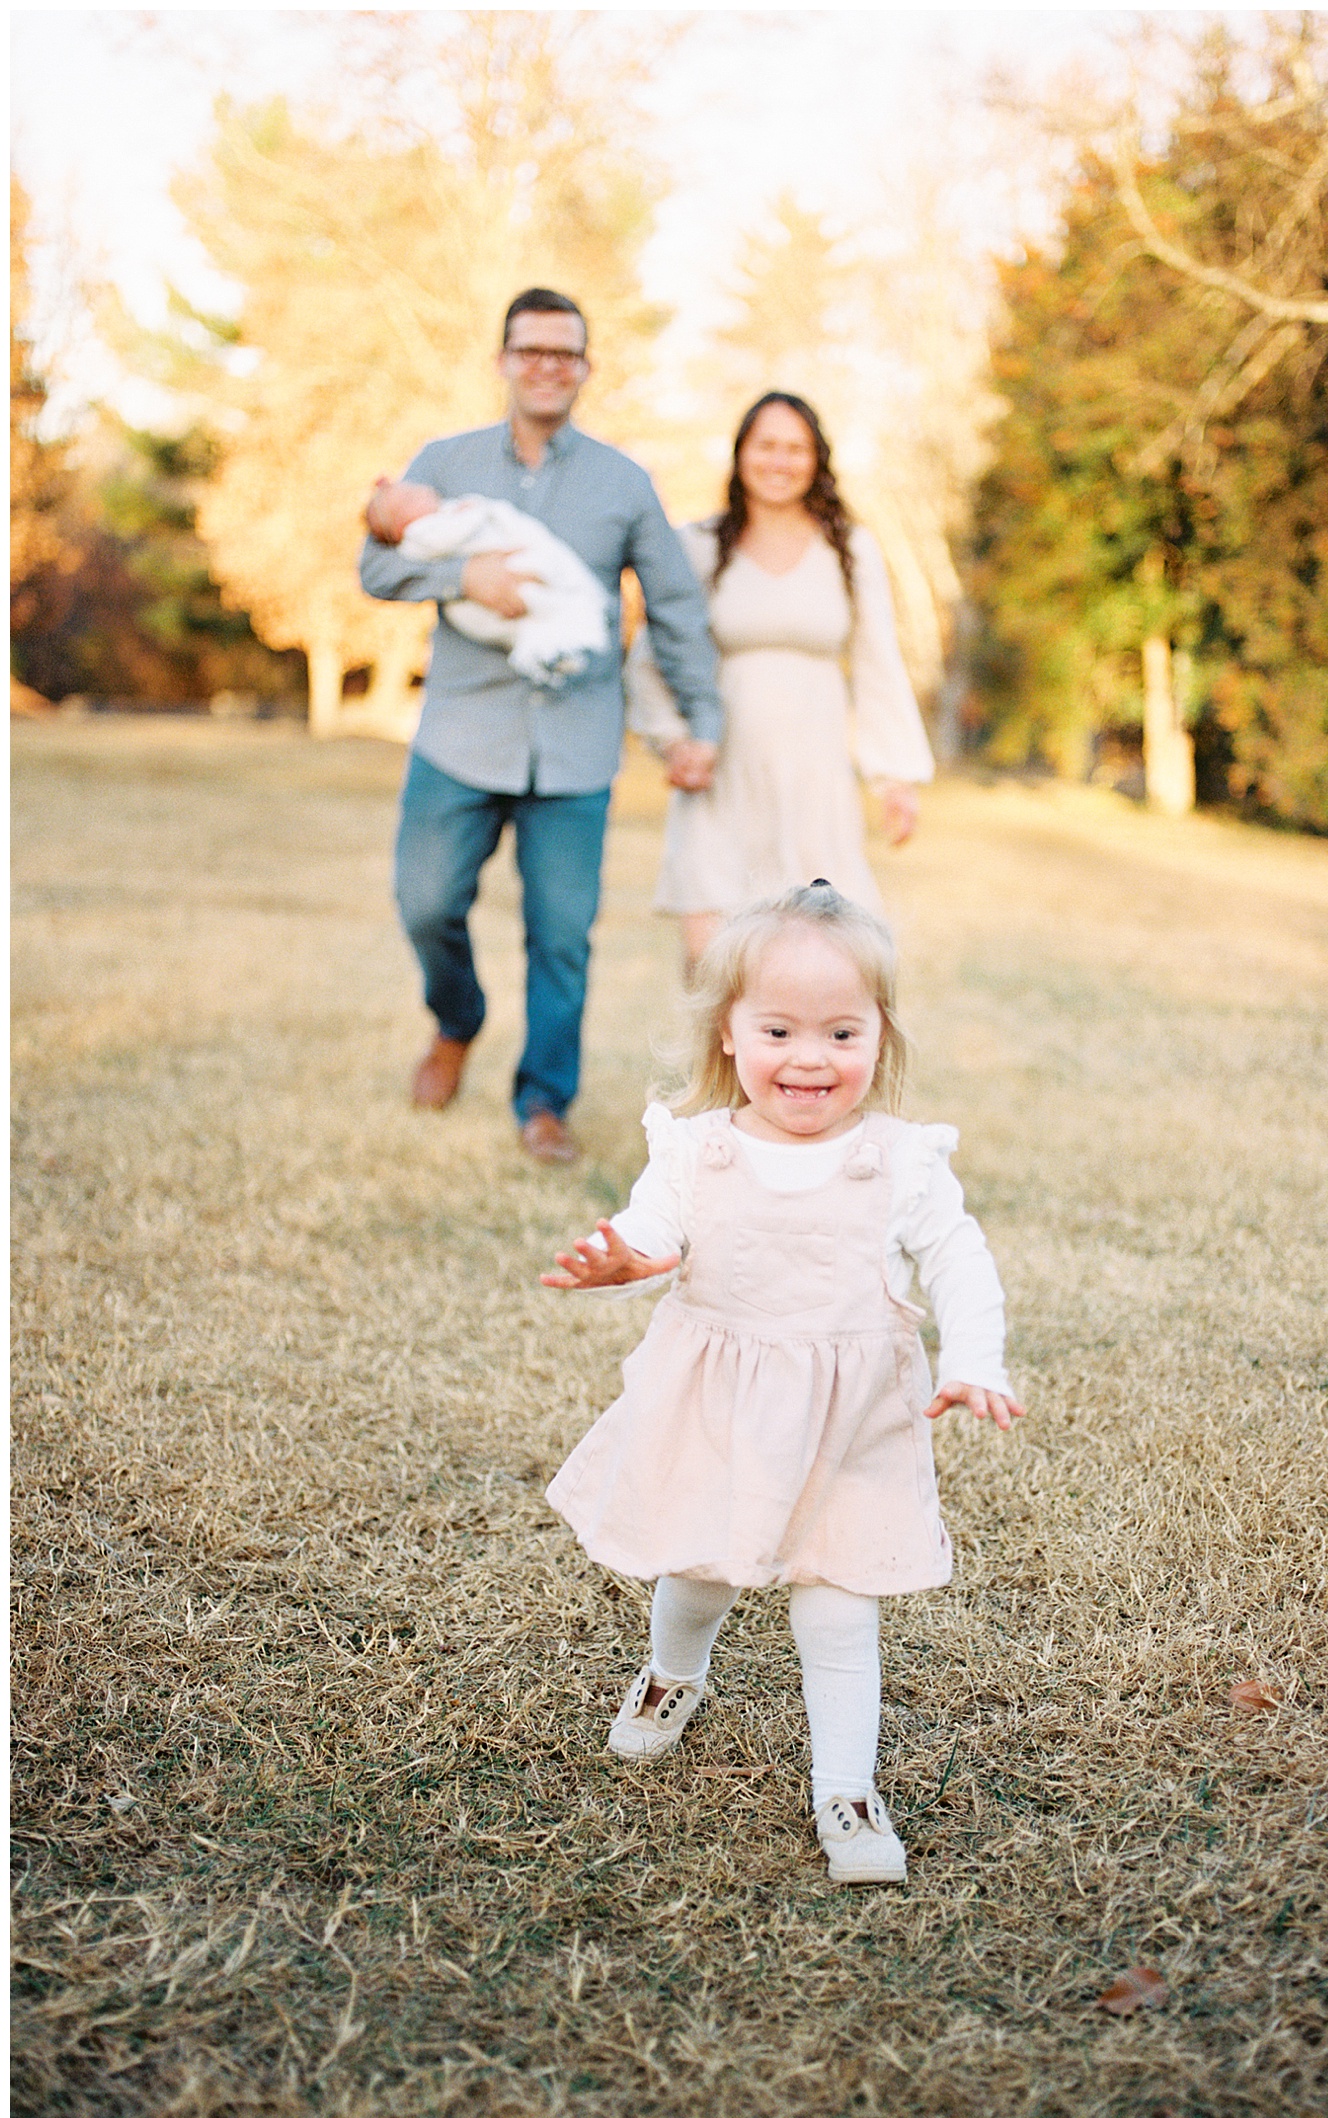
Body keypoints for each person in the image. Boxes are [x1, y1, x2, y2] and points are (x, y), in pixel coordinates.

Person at [539, 881, 1023, 1885]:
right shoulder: (696, 1150)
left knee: (839, 1609)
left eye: (842, 1033)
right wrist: (621, 1260)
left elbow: (960, 1259)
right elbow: (652, 1231)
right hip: (721, 1410)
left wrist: (976, 1358)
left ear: (881, 1037)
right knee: (700, 1569)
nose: (810, 1058)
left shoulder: (900, 1162)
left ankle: (844, 1790)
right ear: (727, 1033)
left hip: (851, 1428)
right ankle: (674, 1674)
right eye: (779, 1030)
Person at [361, 287, 724, 1164]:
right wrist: (462, 583)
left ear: (586, 369)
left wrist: (701, 719)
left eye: (565, 354)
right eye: (531, 351)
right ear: (503, 361)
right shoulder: (444, 462)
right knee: (425, 903)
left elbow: (673, 606)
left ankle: (545, 1100)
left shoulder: (623, 482)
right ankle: (457, 1022)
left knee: (561, 937)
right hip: (461, 737)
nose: (547, 367)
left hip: (575, 748)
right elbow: (377, 563)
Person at [626, 393, 935, 972]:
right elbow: (651, 658)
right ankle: (714, 1067)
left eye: (797, 448)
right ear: (740, 454)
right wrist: (673, 741)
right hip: (721, 780)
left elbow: (877, 663)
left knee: (821, 964)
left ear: (818, 460)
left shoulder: (850, 547)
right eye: (766, 445)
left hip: (815, 783)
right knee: (713, 963)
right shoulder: (698, 545)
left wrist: (894, 777)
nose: (780, 461)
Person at [378, 480, 608, 686]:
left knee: (543, 591)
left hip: (511, 564)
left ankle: (557, 640)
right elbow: (374, 571)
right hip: (475, 616)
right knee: (534, 604)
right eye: (409, 498)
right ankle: (552, 644)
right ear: (400, 527)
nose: (422, 491)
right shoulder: (421, 531)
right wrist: (464, 576)